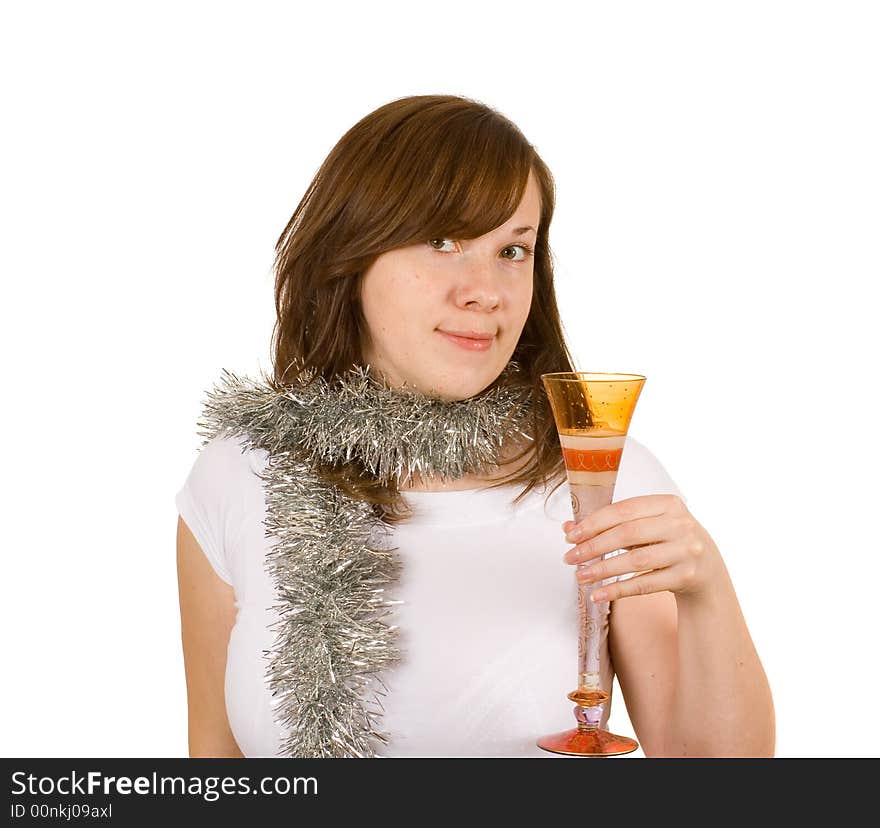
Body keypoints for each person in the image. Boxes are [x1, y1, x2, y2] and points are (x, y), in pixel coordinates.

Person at [175, 94, 775, 758]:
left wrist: (706, 589)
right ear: (351, 253)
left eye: (513, 250)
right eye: (442, 241)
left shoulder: (599, 475)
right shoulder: (239, 475)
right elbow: (214, 765)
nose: (487, 290)